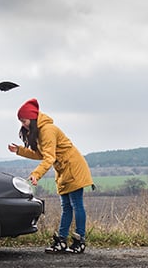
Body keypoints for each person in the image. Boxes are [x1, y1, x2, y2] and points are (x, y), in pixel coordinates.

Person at [9, 98, 94, 254]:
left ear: (32, 118)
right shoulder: (40, 131)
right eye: (21, 121)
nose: (23, 124)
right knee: (66, 207)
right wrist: (19, 150)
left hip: (73, 169)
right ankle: (62, 241)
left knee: (76, 205)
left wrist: (36, 174)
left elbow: (49, 158)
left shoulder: (47, 130)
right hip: (64, 170)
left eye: (24, 120)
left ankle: (79, 241)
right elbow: (40, 154)